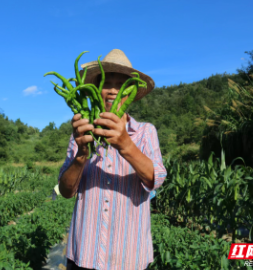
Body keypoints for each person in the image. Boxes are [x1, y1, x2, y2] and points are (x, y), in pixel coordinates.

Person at [58, 49, 167, 270]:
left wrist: (126, 144)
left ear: (131, 93)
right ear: (96, 89)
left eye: (122, 85)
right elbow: (66, 191)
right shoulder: (81, 133)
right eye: (107, 83)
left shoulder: (145, 132)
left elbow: (155, 180)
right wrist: (81, 155)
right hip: (83, 255)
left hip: (128, 257)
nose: (113, 91)